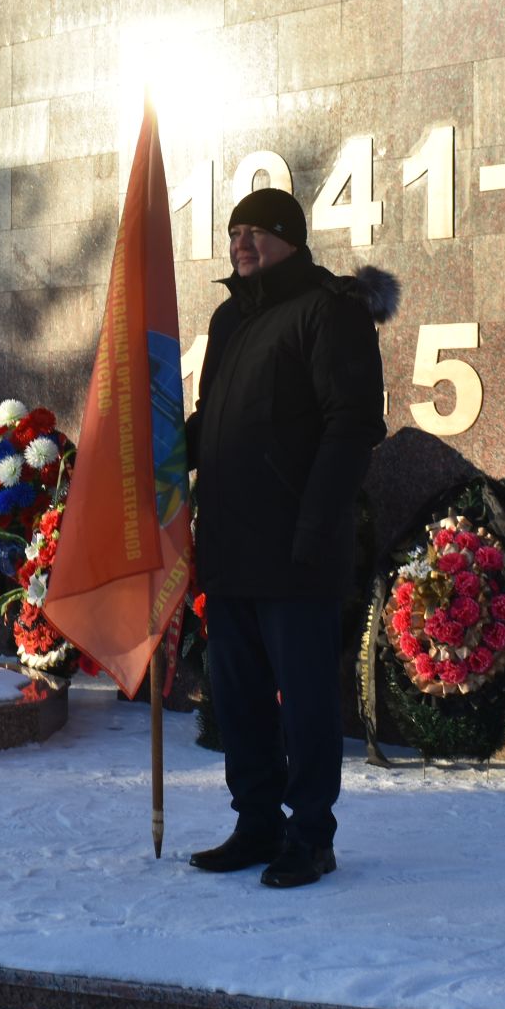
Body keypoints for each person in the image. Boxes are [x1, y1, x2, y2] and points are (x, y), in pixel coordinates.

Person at [185, 187, 393, 888]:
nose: (242, 242)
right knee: (236, 700)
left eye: (258, 231)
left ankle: (311, 836)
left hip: (297, 548)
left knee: (304, 703)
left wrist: (317, 520)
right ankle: (256, 823)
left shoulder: (330, 311)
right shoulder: (228, 318)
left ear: (291, 239)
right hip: (230, 545)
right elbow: (210, 419)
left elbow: (354, 423)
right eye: (236, 229)